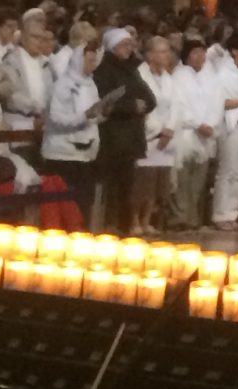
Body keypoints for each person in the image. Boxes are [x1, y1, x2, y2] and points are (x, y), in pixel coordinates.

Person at [91, 27, 155, 233]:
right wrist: (130, 106)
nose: (129, 48)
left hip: (131, 136)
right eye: (124, 45)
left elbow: (149, 97)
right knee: (111, 185)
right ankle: (108, 225)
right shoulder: (104, 71)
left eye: (130, 44)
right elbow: (103, 101)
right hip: (113, 136)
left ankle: (124, 225)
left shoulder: (132, 70)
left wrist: (142, 104)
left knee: (127, 186)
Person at [41, 35, 106, 226]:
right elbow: (56, 118)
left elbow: (91, 116)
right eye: (89, 60)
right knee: (63, 207)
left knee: (83, 204)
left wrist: (101, 114)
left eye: (95, 60)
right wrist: (85, 116)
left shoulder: (90, 84)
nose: (93, 65)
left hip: (84, 154)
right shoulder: (63, 85)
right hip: (63, 155)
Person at [130, 35, 182, 234]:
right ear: (150, 55)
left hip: (166, 137)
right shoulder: (139, 75)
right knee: (142, 182)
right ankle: (134, 220)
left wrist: (169, 129)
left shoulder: (168, 78)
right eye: (161, 51)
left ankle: (146, 220)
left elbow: (177, 105)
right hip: (148, 135)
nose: (166, 55)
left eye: (168, 51)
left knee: (157, 184)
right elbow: (144, 106)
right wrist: (157, 131)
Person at [167, 38, 220, 231]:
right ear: (187, 56)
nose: (200, 56)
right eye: (195, 52)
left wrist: (211, 124)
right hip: (186, 134)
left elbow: (216, 102)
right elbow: (180, 105)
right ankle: (179, 216)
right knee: (182, 179)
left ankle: (192, 217)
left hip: (205, 135)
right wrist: (197, 124)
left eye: (202, 52)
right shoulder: (179, 77)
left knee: (198, 181)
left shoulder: (210, 76)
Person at [205, 32, 238, 230]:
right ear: (235, 51)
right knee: (226, 171)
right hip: (230, 123)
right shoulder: (224, 72)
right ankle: (219, 214)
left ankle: (232, 213)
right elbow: (220, 101)